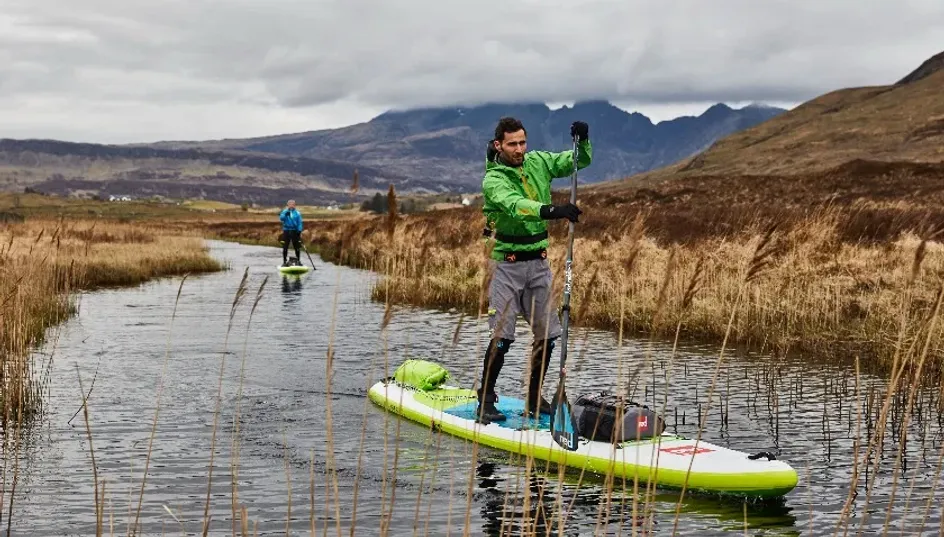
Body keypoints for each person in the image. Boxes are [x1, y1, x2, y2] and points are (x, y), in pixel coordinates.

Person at [476, 116, 591, 423]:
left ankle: (533, 398)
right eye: (512, 144)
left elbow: (578, 162)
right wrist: (552, 210)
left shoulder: (538, 162)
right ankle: (485, 401)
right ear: (499, 145)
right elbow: (515, 204)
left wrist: (584, 140)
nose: (519, 149)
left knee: (548, 335)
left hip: (538, 263)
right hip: (506, 265)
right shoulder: (493, 180)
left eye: (522, 142)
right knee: (503, 337)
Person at [279, 199, 303, 266]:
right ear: (288, 205)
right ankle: (284, 261)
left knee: (297, 247)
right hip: (286, 230)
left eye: (293, 204)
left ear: (295, 205)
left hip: (295, 231)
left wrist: (299, 230)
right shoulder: (284, 212)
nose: (291, 206)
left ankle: (298, 261)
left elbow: (299, 223)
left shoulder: (297, 213)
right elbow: (281, 218)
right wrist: (285, 215)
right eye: (290, 204)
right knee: (285, 247)